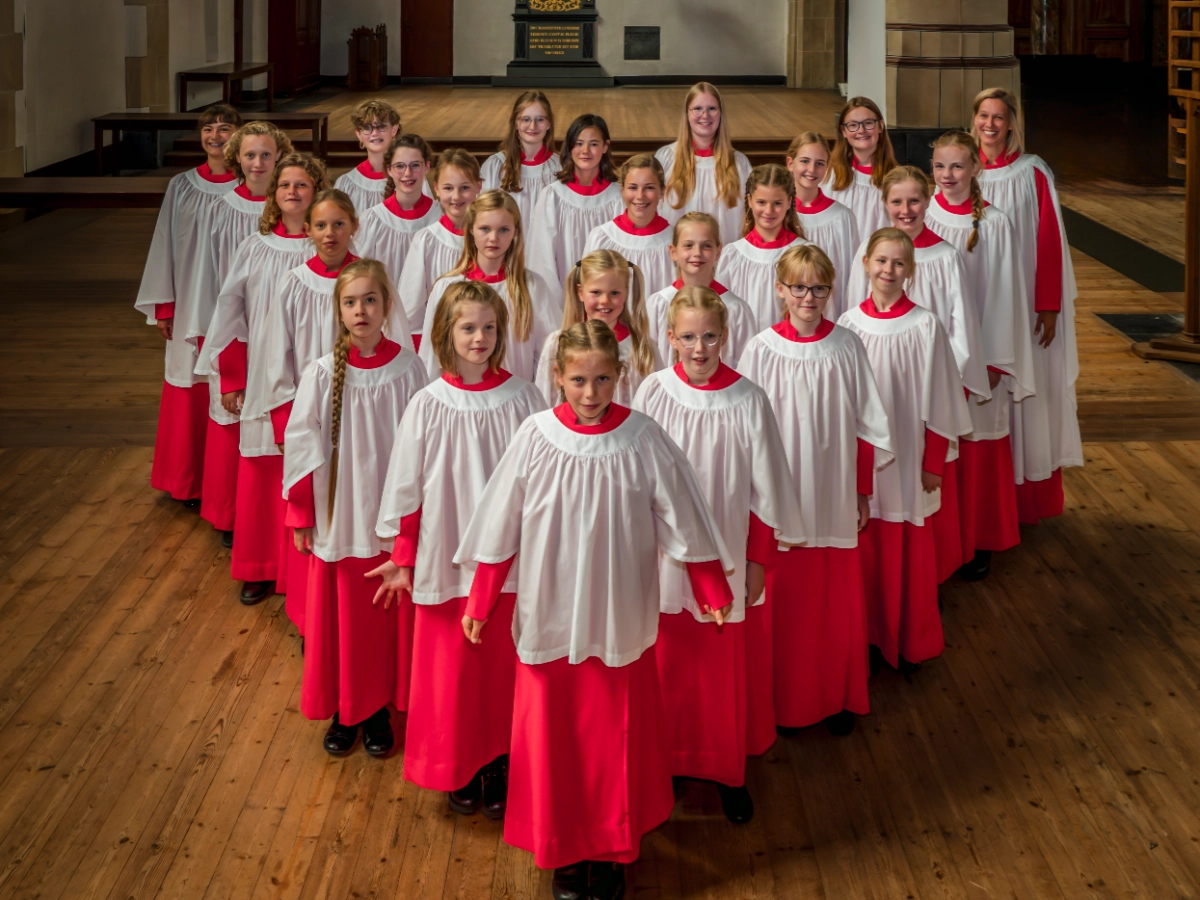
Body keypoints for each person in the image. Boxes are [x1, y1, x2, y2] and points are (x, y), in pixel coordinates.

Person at [454, 319, 735, 900]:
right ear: (558, 376)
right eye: (578, 380)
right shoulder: (534, 436)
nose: (590, 393)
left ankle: (610, 847)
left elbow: (682, 515)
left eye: (603, 379)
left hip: (617, 615)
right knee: (554, 737)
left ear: (620, 376)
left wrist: (710, 588)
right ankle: (564, 848)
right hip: (550, 611)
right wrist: (482, 598)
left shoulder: (643, 438)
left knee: (614, 737)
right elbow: (499, 524)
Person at [373, 280, 546, 818]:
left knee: (502, 666)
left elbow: (541, 480)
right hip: (445, 553)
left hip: (508, 560)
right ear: (447, 332)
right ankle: (457, 764)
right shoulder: (428, 403)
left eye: (489, 328)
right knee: (452, 670)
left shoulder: (525, 398)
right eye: (468, 327)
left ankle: (501, 756)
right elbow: (406, 486)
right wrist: (404, 557)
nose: (480, 338)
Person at [633, 286, 805, 823]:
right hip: (662, 559)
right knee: (668, 666)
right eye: (688, 337)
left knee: (719, 673)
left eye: (710, 336)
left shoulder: (749, 399)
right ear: (670, 338)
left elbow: (766, 491)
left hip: (727, 556)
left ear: (725, 336)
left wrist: (757, 562)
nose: (700, 348)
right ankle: (665, 764)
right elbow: (633, 477)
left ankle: (727, 771)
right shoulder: (653, 392)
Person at [738, 244, 891, 735]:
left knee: (831, 601)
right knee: (784, 601)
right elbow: (743, 429)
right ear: (780, 290)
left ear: (831, 290)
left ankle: (837, 695)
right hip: (780, 495)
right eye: (798, 286)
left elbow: (869, 424)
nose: (809, 296)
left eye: (819, 287)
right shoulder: (761, 348)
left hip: (832, 491)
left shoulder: (846, 346)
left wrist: (862, 490)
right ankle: (780, 700)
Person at [284, 259, 428, 757]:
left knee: (384, 622)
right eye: (351, 302)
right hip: (340, 514)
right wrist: (302, 511)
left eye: (370, 300)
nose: (361, 310)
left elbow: (425, 447)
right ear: (339, 310)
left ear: (387, 306)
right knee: (345, 620)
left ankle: (381, 708)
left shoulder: (410, 369)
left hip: (389, 517)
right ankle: (351, 710)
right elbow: (301, 442)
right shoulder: (322, 372)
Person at [846, 165, 991, 583]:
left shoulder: (944, 257)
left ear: (927, 202)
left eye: (914, 200)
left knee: (919, 505)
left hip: (922, 402)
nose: (905, 209)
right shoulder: (867, 254)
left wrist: (942, 385)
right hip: (874, 406)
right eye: (896, 201)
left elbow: (960, 328)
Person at [198, 153, 326, 624]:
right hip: (262, 377)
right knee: (263, 473)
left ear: (317, 193)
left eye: (303, 185)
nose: (292, 192)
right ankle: (259, 566)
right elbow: (230, 310)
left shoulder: (327, 252)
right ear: (273, 195)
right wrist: (231, 375)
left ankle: (300, 574)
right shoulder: (256, 247)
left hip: (317, 379)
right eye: (285, 185)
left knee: (307, 475)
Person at [837, 229, 972, 674]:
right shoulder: (848, 327)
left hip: (910, 459)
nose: (888, 271)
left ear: (910, 271)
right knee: (867, 551)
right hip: (863, 467)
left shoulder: (925, 325)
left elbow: (942, 399)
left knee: (908, 552)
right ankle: (869, 640)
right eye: (880, 261)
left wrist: (934, 462)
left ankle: (909, 640)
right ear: (865, 265)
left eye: (898, 263)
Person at [972, 87, 1082, 525]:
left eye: (1000, 117)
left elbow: (1049, 240)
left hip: (1027, 302)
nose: (991, 125)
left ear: (1013, 123)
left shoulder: (1031, 171)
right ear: (974, 119)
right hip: (981, 303)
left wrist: (1048, 305)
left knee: (1029, 395)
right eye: (983, 115)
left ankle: (1027, 499)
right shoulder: (962, 169)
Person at [928, 130, 1035, 579]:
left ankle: (979, 540)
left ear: (976, 169)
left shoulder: (994, 223)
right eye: (939, 166)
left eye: (957, 166)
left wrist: (990, 361)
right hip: (934, 357)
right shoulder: (922, 212)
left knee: (977, 448)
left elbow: (1004, 295)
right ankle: (943, 544)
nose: (948, 175)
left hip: (980, 360)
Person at [134, 103, 244, 508]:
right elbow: (164, 243)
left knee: (229, 389)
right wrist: (165, 305)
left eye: (225, 128)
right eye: (209, 129)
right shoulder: (182, 186)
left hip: (234, 304)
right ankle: (187, 481)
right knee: (189, 386)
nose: (216, 136)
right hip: (190, 298)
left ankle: (223, 482)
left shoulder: (250, 188)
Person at [197, 122, 297, 545]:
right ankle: (231, 516)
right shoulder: (223, 210)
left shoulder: (306, 222)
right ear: (238, 157)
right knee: (237, 427)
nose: (259, 163)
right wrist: (225, 356)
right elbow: (215, 286)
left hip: (292, 348)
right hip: (241, 337)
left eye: (267, 155)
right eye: (250, 155)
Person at [417, 190, 557, 382]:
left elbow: (548, 356)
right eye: (485, 229)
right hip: (460, 402)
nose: (493, 238)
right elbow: (431, 358)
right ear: (471, 229)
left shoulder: (532, 287)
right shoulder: (446, 288)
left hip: (516, 399)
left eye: (503, 230)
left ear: (515, 231)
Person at [533, 249, 662, 407]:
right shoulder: (556, 345)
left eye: (614, 293)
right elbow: (545, 404)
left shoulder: (643, 349)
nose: (605, 301)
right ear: (580, 293)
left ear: (626, 292)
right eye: (596, 292)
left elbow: (657, 407)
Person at [397, 148, 481, 349]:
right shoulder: (426, 240)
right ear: (436, 189)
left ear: (479, 186)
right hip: (441, 345)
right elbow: (411, 308)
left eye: (465, 188)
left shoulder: (489, 239)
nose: (456, 196)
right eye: (448, 188)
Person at [526, 114, 623, 289]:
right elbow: (542, 260)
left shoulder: (618, 197)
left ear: (605, 147)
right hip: (562, 298)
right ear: (570, 147)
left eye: (593, 144)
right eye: (579, 143)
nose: (585, 151)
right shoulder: (552, 196)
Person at [644, 212, 753, 367]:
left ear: (718, 251)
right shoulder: (658, 304)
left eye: (706, 246)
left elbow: (746, 367)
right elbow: (649, 362)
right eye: (688, 245)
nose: (697, 253)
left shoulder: (736, 309)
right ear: (673, 251)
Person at [655, 82, 753, 246]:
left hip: (724, 262)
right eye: (698, 109)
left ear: (721, 113)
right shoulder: (666, 158)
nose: (705, 115)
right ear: (687, 113)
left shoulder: (739, 163)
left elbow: (750, 217)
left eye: (712, 109)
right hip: (677, 262)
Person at [715, 163, 807, 332]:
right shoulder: (732, 255)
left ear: (789, 202)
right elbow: (721, 315)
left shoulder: (803, 254)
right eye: (761, 202)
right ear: (750, 201)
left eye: (777, 203)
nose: (769, 210)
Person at [786, 131, 860, 316]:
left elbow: (851, 276)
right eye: (804, 161)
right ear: (790, 163)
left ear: (827, 168)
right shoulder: (778, 215)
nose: (811, 169)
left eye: (819, 164)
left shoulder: (842, 217)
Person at [583, 154, 674, 296]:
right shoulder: (602, 237)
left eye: (649, 188)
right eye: (633, 187)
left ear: (662, 191)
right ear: (622, 189)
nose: (640, 196)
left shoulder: (674, 241)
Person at [355, 133, 440, 284]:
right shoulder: (373, 220)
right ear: (389, 169)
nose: (407, 173)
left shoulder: (439, 215)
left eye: (415, 165)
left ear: (426, 167)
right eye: (400, 166)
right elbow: (360, 275)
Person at [481, 91, 561, 226]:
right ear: (515, 123)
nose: (533, 126)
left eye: (540, 119)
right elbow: (483, 214)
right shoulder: (495, 166)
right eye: (525, 119)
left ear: (549, 124)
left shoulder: (560, 167)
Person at [825, 98, 897, 241]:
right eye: (853, 125)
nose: (861, 130)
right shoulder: (830, 175)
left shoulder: (896, 178)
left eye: (868, 123)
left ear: (881, 126)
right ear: (843, 131)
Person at [334, 98, 403, 214]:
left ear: (394, 130)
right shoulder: (346, 184)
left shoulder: (410, 177)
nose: (375, 133)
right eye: (367, 128)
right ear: (358, 135)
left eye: (381, 126)